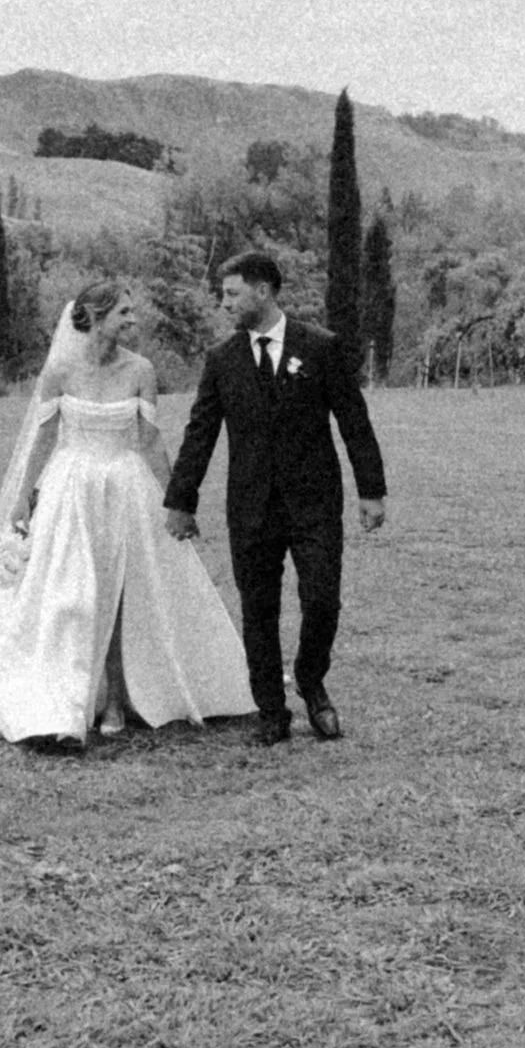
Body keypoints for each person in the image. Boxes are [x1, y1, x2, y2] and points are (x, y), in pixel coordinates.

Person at [0, 281, 256, 751]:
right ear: (94, 315)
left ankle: (116, 701)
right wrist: (23, 497)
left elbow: (149, 439)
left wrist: (177, 499)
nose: (133, 320)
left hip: (126, 487)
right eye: (124, 312)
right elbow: (43, 437)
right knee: (71, 591)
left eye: (132, 311)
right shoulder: (60, 370)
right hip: (71, 488)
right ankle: (63, 698)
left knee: (124, 589)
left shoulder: (141, 370)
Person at [163, 250, 387, 746]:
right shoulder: (222, 360)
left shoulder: (322, 347)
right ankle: (271, 709)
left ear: (263, 291)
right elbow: (200, 433)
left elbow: (354, 422)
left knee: (322, 599)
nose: (224, 303)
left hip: (314, 504)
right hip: (251, 506)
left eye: (232, 292)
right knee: (258, 610)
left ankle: (311, 680)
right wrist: (181, 500)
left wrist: (371, 491)